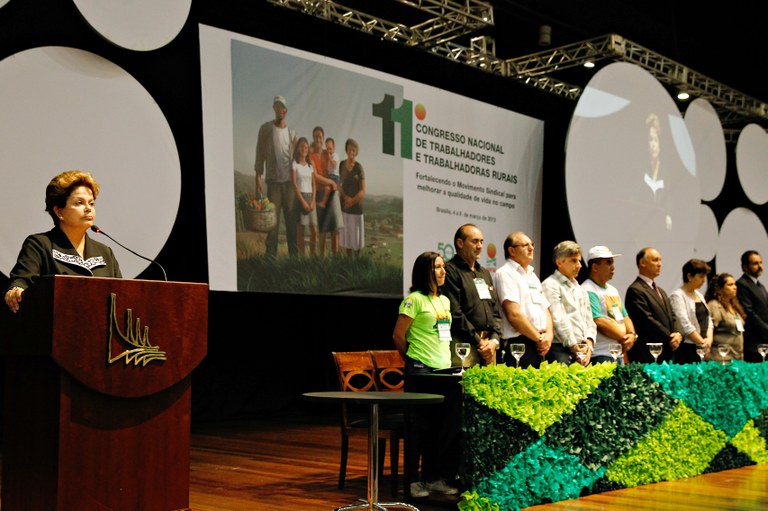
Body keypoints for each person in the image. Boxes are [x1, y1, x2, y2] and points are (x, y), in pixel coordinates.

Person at [4, 170, 122, 313]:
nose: (88, 209)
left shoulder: (105, 253)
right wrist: (16, 290)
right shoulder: (40, 244)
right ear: (59, 212)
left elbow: (122, 296)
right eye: (79, 203)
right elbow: (21, 281)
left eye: (91, 203)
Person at [392, 252, 459, 498]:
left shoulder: (444, 301)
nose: (443, 272)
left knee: (440, 430)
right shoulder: (414, 300)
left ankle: (433, 478)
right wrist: (413, 359)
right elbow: (398, 335)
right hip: (421, 373)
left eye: (443, 267)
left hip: (444, 372)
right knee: (418, 429)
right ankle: (411, 482)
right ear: (425, 272)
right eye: (438, 268)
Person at [442, 224, 501, 367]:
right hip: (465, 345)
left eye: (481, 241)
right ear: (460, 243)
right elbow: (455, 313)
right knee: (465, 388)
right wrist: (479, 342)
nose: (480, 246)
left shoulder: (484, 273)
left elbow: (495, 312)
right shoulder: (450, 271)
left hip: (489, 347)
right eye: (475, 241)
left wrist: (493, 341)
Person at [492, 231, 553, 368]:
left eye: (532, 244)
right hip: (519, 344)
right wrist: (539, 338)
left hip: (540, 344)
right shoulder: (505, 273)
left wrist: (548, 335)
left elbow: (545, 309)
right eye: (525, 245)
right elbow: (514, 315)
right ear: (512, 250)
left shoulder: (532, 275)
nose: (531, 248)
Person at [254, 95, 298, 257]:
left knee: (292, 223)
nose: (280, 110)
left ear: (286, 110)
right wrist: (257, 177)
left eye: (283, 107)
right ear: (274, 108)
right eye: (277, 106)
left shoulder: (292, 133)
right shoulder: (265, 129)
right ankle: (270, 259)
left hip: (289, 185)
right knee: (272, 223)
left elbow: (301, 157)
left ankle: (294, 259)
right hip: (273, 184)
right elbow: (260, 153)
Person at [542, 241, 596, 366]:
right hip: (560, 349)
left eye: (579, 261)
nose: (579, 265)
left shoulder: (580, 288)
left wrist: (589, 345)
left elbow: (590, 321)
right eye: (573, 261)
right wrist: (574, 346)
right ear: (559, 262)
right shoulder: (550, 285)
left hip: (582, 350)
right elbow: (558, 318)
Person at [625, 247, 682, 363]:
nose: (659, 264)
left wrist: (678, 333)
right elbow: (646, 320)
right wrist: (671, 337)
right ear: (642, 263)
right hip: (648, 353)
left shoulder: (661, 291)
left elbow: (673, 316)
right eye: (655, 260)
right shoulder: (635, 289)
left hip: (667, 351)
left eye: (660, 260)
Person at [580, 246, 637, 364]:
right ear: (595, 267)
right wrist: (623, 336)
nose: (613, 267)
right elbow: (598, 321)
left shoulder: (613, 290)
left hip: (617, 353)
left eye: (613, 263)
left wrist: (631, 335)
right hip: (601, 354)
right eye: (608, 263)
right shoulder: (587, 289)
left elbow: (625, 316)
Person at [669, 259, 714, 364]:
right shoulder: (677, 296)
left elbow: (709, 320)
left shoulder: (699, 295)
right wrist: (702, 342)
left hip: (703, 348)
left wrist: (709, 340)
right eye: (701, 276)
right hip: (687, 349)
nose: (704, 280)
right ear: (689, 276)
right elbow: (684, 324)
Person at [309, 127, 343, 256]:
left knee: (335, 228)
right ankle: (321, 259)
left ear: (323, 138)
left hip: (332, 192)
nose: (318, 139)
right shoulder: (310, 156)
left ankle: (336, 258)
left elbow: (335, 168)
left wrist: (335, 183)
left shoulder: (327, 153)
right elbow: (315, 176)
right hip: (319, 193)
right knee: (322, 229)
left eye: (320, 136)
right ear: (313, 137)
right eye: (316, 136)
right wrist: (330, 182)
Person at [705, 273, 746, 363]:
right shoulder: (714, 305)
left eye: (734, 284)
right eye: (730, 285)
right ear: (719, 289)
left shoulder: (734, 306)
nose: (735, 287)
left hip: (737, 358)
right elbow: (709, 329)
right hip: (720, 358)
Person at [736, 250, 768, 362]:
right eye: (755, 263)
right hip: (754, 343)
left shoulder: (760, 286)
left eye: (761, 262)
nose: (760, 266)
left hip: (764, 341)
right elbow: (749, 312)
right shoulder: (742, 284)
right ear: (744, 267)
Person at [338, 138, 365, 256]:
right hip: (344, 205)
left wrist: (352, 201)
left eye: (354, 150)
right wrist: (345, 198)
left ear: (356, 152)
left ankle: (357, 262)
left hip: (356, 207)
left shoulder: (359, 167)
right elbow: (339, 185)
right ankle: (349, 263)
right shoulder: (341, 165)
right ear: (346, 150)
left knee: (357, 238)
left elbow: (363, 190)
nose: (352, 152)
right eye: (350, 149)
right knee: (347, 237)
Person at [290, 137, 317, 256]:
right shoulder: (294, 163)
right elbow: (294, 184)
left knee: (314, 231)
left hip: (311, 199)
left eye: (306, 147)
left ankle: (313, 258)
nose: (304, 149)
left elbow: (314, 184)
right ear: (298, 148)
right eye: (302, 146)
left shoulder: (310, 165)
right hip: (300, 198)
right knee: (300, 231)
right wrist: (303, 202)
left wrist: (312, 202)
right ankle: (301, 260)